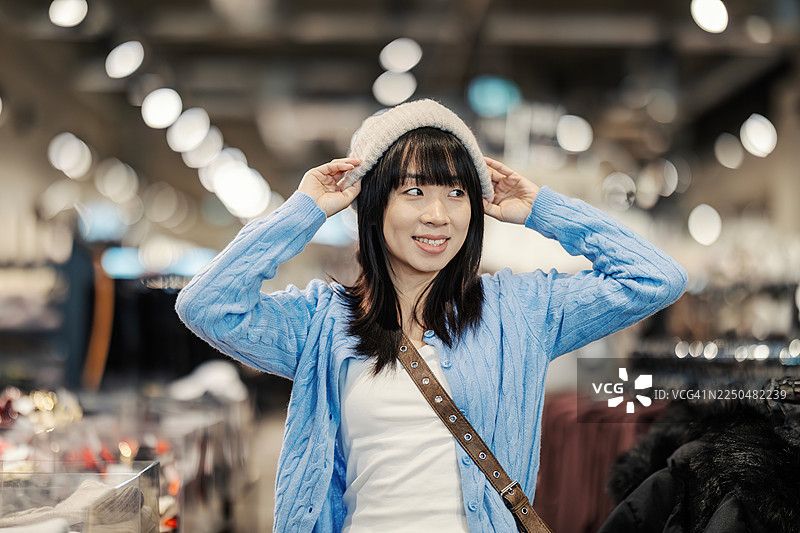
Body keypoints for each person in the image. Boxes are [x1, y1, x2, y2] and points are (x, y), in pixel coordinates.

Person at [175, 99, 687, 532]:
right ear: (374, 204)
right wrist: (304, 210)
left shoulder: (520, 312)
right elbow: (207, 305)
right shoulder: (322, 324)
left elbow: (656, 278)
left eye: (456, 192)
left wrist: (543, 209)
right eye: (414, 191)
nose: (437, 215)